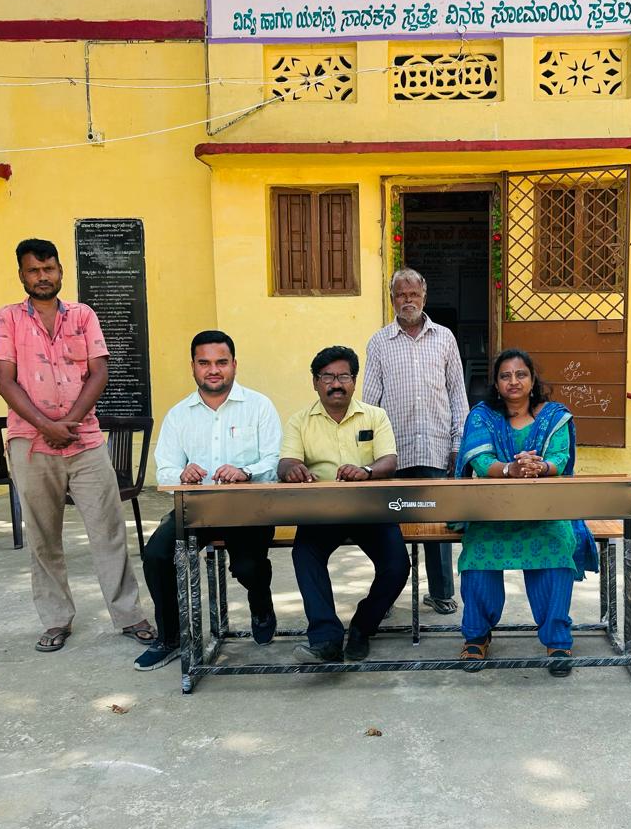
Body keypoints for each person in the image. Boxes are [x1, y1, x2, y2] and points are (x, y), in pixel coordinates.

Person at [0, 238, 154, 653]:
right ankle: (56, 620)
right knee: (44, 537)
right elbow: (4, 380)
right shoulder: (6, 319)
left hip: (85, 442)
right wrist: (46, 425)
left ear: (61, 271)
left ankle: (129, 615)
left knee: (109, 530)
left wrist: (70, 423)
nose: (42, 277)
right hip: (31, 444)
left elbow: (99, 372)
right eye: (33, 270)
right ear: (22, 275)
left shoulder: (83, 316)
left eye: (49, 269)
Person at [135, 330, 281, 672]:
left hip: (249, 508)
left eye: (221, 362)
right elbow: (166, 467)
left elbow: (273, 460)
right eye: (204, 363)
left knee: (248, 567)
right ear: (193, 367)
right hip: (197, 509)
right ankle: (170, 637)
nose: (213, 370)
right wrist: (182, 474)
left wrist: (245, 471)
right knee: (157, 555)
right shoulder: (179, 415)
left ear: (234, 364)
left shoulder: (259, 406)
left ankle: (260, 602)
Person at [455, 348, 599, 677]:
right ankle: (476, 635)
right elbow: (479, 460)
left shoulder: (554, 416)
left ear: (533, 380)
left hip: (544, 510)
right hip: (493, 512)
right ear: (495, 383)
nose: (514, 381)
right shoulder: (482, 416)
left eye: (521, 374)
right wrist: (510, 470)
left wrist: (539, 466)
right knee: (477, 553)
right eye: (505, 376)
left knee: (556, 545)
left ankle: (557, 639)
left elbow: (561, 457)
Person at [278, 345, 410, 663]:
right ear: (315, 382)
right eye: (327, 376)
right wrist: (292, 469)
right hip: (321, 511)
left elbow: (389, 461)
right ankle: (326, 638)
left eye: (343, 376)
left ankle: (363, 627)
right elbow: (285, 462)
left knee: (397, 566)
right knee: (305, 553)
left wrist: (366, 472)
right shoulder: (300, 421)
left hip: (370, 509)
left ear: (354, 381)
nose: (336, 383)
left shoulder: (375, 416)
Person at [362, 267, 468, 614]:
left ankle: (440, 592)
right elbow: (370, 402)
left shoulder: (445, 338)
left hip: (438, 446)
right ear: (392, 299)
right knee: (389, 527)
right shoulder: (379, 342)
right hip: (394, 451)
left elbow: (457, 395)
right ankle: (387, 591)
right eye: (401, 295)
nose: (408, 300)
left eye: (414, 294)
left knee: (438, 524)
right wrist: (371, 453)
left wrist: (458, 444)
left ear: (424, 297)